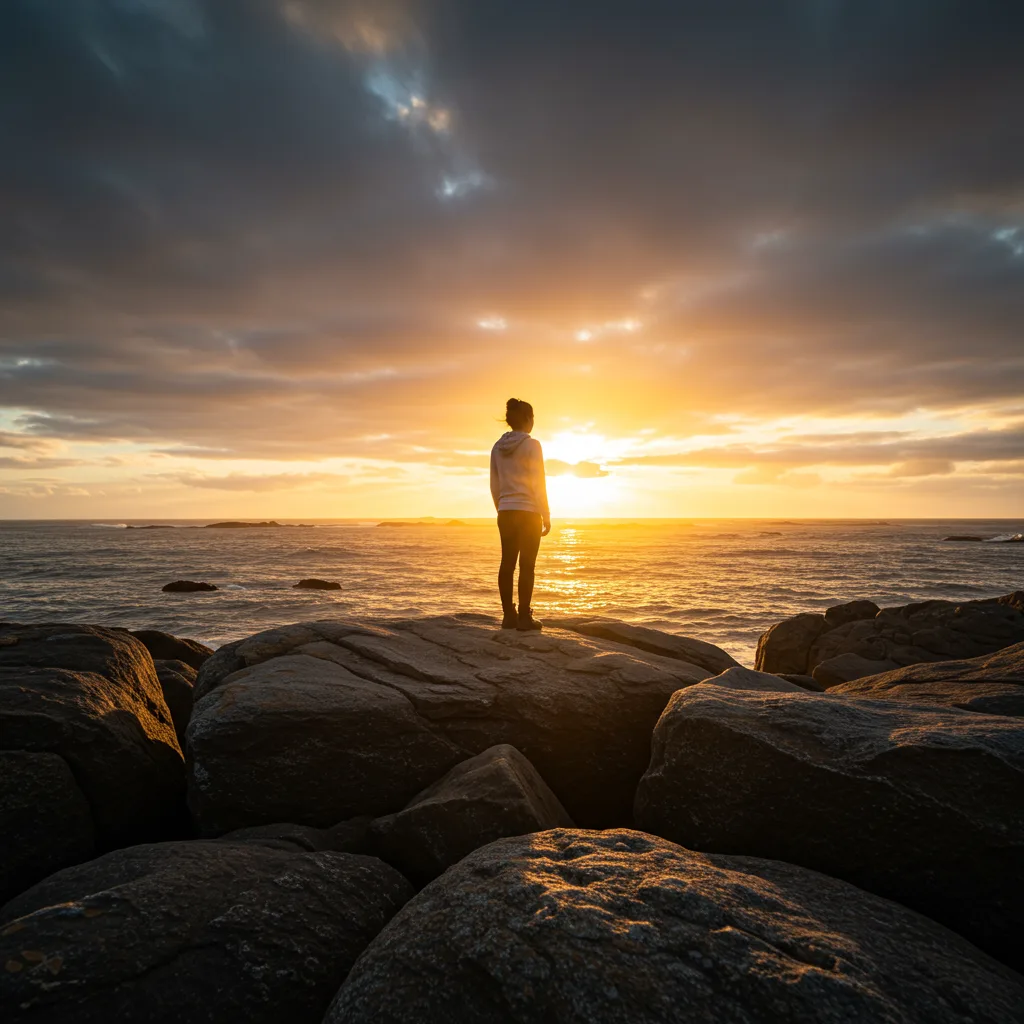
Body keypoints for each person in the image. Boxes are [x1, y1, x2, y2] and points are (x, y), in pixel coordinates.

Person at [489, 397, 550, 630]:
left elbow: (494, 485)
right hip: (529, 512)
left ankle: (508, 616)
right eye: (532, 418)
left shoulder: (496, 447)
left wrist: (502, 508)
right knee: (527, 565)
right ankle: (524, 617)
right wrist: (546, 513)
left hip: (505, 511)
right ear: (527, 419)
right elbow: (538, 482)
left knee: (507, 563)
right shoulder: (532, 445)